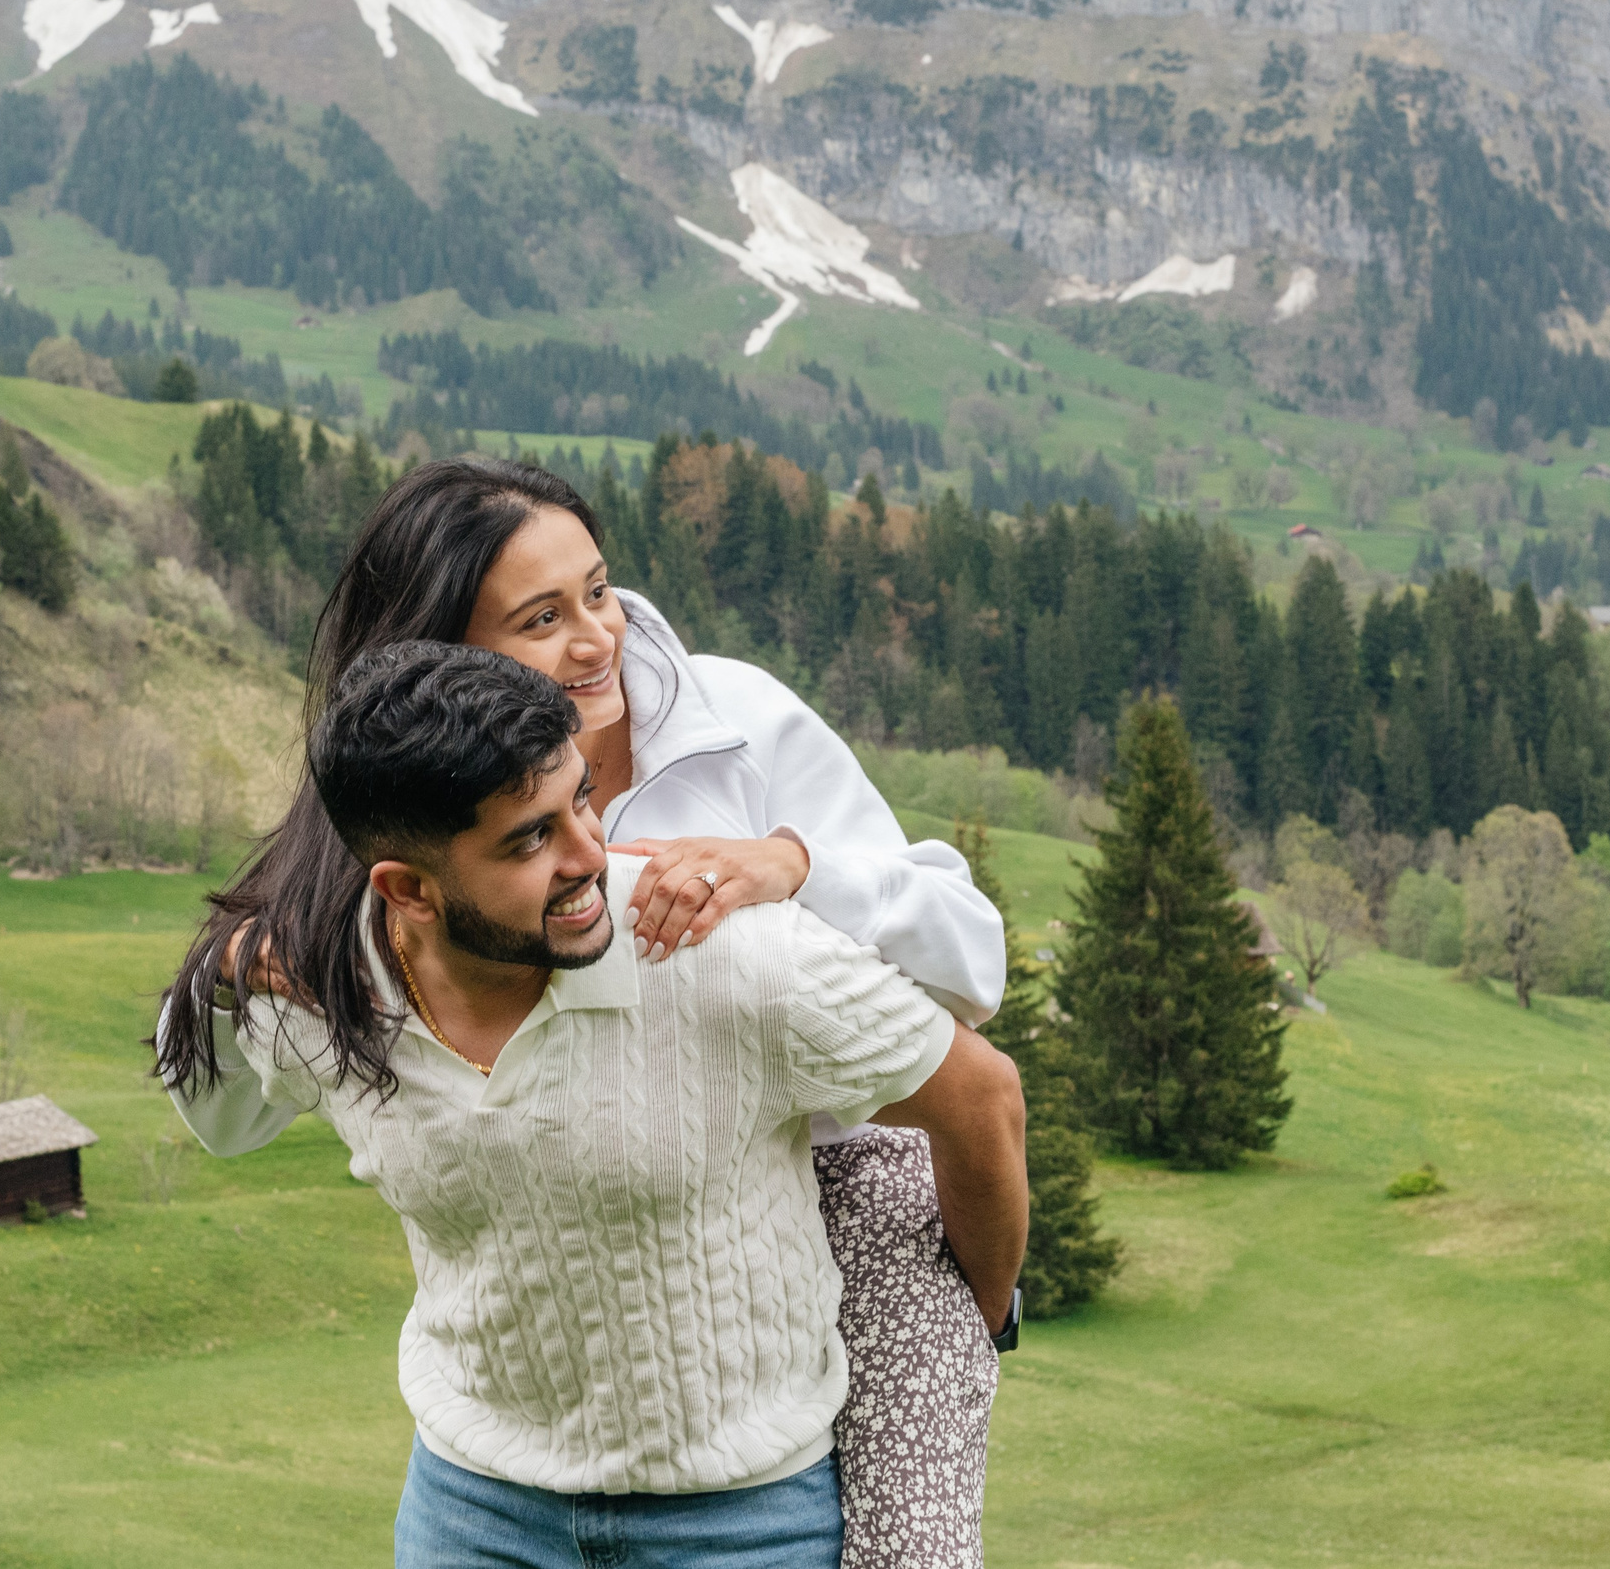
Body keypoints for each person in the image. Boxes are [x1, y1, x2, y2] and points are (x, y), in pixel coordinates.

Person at [160, 460, 1013, 1565]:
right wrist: (232, 969)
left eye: (599, 591)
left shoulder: (737, 720)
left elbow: (968, 983)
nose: (600, 638)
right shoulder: (386, 831)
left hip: (850, 1162)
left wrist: (792, 863)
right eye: (542, 618)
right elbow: (228, 1093)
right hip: (590, 1246)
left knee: (915, 1546)